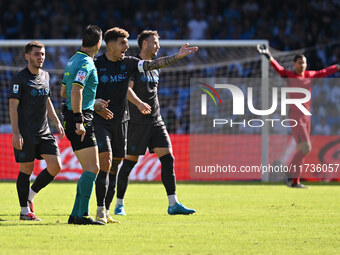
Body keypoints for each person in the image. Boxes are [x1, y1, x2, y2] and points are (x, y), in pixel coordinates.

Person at [94, 27, 198, 222]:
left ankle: (173, 203)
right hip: (131, 122)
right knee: (120, 163)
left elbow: (154, 64)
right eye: (123, 42)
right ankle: (114, 205)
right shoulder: (106, 65)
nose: (127, 46)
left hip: (151, 120)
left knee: (166, 158)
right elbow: (123, 90)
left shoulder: (137, 65)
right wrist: (138, 103)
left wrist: (177, 56)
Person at [257, 44, 339, 188]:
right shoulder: (289, 75)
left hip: (307, 118)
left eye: (304, 62)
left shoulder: (309, 75)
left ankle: (295, 181)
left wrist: (337, 67)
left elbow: (324, 72)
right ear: (294, 64)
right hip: (296, 117)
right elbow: (278, 68)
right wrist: (268, 56)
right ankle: (288, 174)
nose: (303, 65)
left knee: (302, 150)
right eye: (300, 62)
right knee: (306, 148)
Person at [9, 41, 65, 221]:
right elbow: (12, 106)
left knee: (56, 166)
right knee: (27, 169)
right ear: (27, 56)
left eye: (42, 54)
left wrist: (56, 121)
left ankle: (30, 196)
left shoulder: (46, 76)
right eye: (36, 54)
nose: (40, 57)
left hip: (44, 131)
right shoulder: (19, 78)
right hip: (25, 133)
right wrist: (16, 133)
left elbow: (47, 100)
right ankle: (24, 211)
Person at [60, 25, 110, 225]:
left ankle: (76, 214)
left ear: (83, 41)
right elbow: (75, 92)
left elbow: (64, 93)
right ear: (99, 43)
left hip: (73, 114)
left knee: (89, 168)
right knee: (93, 167)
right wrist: (80, 118)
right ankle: (81, 215)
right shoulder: (87, 63)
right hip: (80, 118)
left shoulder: (72, 60)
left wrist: (92, 101)